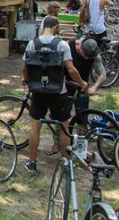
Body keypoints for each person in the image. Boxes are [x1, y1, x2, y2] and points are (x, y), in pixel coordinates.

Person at [23, 17, 88, 172]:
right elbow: (71, 69)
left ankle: (32, 162)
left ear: (44, 26)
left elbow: (25, 67)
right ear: (56, 27)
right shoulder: (62, 45)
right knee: (64, 126)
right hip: (58, 91)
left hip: (38, 91)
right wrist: (82, 83)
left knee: (35, 126)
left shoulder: (32, 43)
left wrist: (26, 80)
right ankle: (66, 162)